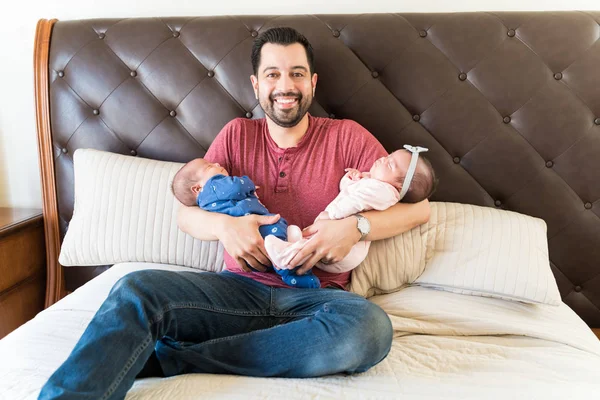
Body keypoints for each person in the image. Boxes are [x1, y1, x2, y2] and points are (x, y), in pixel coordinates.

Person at [39, 26, 431, 400]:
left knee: (370, 330)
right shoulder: (236, 135)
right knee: (135, 290)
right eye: (273, 74)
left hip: (317, 302)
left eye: (297, 73)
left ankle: (179, 358)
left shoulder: (347, 137)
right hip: (234, 294)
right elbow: (185, 215)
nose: (285, 86)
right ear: (256, 84)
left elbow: (419, 210)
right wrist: (226, 227)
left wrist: (355, 227)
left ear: (312, 82)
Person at [266, 145, 436, 273]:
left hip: (346, 251)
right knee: (308, 244)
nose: (383, 159)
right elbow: (348, 191)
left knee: (312, 249)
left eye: (390, 165)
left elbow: (356, 202)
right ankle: (292, 246)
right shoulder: (376, 183)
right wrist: (353, 179)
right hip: (339, 245)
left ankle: (285, 258)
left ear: (399, 187)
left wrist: (333, 215)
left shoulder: (384, 191)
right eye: (388, 156)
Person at [171, 157, 321, 288]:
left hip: (252, 260)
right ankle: (288, 263)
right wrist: (246, 184)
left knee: (282, 235)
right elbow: (236, 186)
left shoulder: (209, 196)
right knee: (276, 237)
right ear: (197, 188)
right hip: (256, 238)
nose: (217, 163)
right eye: (210, 166)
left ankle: (291, 257)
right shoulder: (213, 187)